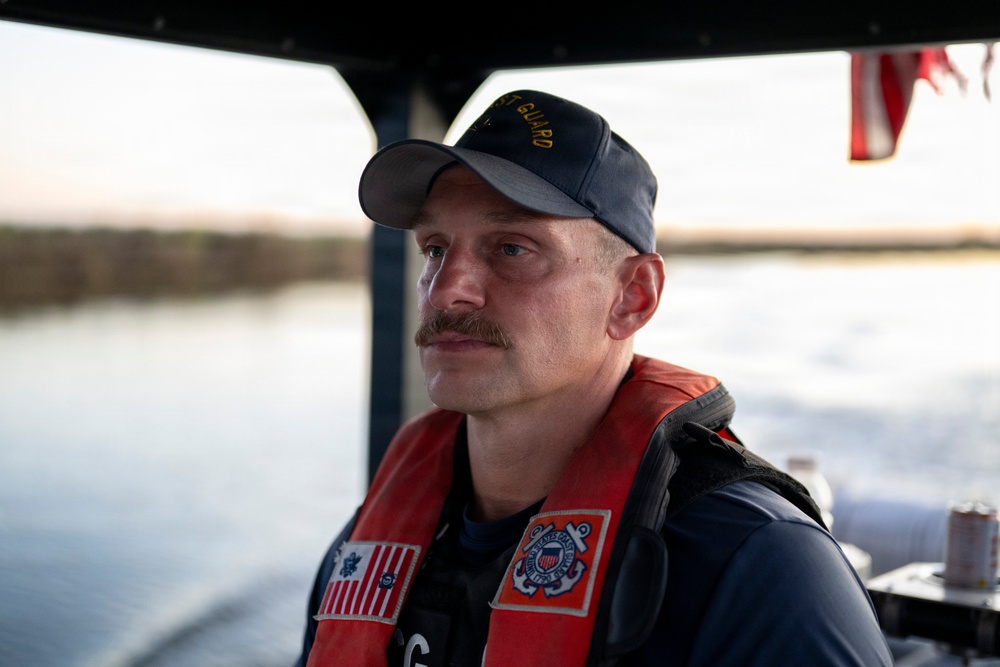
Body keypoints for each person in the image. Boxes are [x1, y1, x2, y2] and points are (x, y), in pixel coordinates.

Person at [295, 89, 893, 666]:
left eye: (511, 248)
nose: (448, 288)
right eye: (434, 249)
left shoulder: (759, 566)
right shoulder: (371, 545)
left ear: (632, 297)